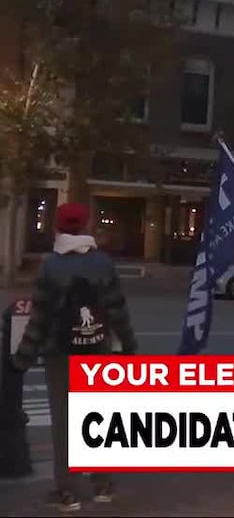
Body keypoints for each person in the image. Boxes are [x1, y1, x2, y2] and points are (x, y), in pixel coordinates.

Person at [12, 202, 138, 512]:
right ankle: (103, 483)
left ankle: (67, 491)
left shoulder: (51, 266)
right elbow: (117, 310)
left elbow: (39, 319)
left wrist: (23, 359)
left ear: (59, 226)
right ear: (87, 225)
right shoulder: (103, 264)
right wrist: (130, 346)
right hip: (97, 350)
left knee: (64, 423)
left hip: (61, 354)